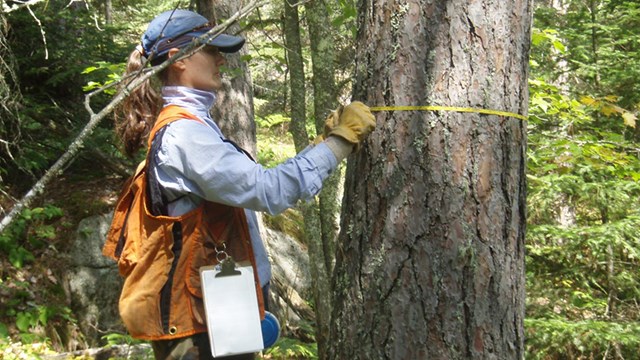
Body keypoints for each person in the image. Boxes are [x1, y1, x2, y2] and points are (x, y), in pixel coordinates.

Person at [102, 9, 376, 360]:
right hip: (199, 331)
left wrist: (321, 143)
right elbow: (269, 190)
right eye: (212, 50)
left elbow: (244, 184)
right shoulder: (184, 135)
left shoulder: (191, 126)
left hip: (213, 316)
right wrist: (340, 142)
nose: (222, 60)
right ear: (178, 60)